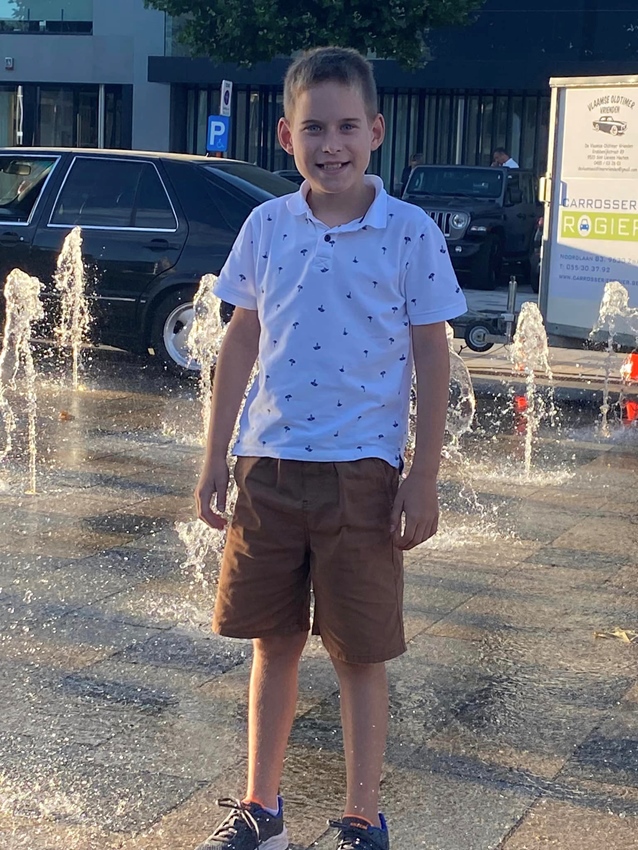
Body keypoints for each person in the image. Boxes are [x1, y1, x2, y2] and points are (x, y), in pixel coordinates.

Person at [194, 46, 467, 850]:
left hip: (362, 476)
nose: (331, 144)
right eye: (314, 128)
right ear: (287, 136)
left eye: (347, 127)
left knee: (358, 652)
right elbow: (241, 340)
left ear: (375, 131)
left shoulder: (408, 232)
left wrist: (424, 474)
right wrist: (214, 457)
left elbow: (432, 354)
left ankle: (361, 817)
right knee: (273, 641)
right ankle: (262, 809)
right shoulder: (266, 225)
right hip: (268, 467)